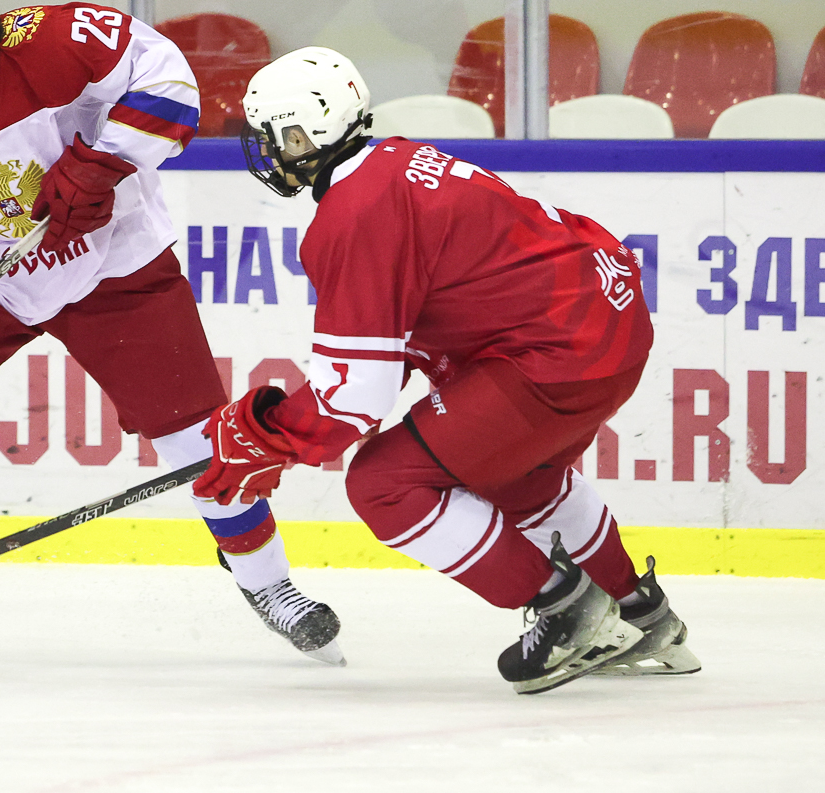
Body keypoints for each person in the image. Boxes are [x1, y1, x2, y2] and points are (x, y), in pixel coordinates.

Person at [0, 0, 343, 676]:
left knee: (201, 440)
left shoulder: (55, 41)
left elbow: (167, 76)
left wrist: (103, 163)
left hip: (115, 258)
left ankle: (269, 584)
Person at [195, 46, 700, 694]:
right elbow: (398, 345)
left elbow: (356, 395)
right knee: (518, 475)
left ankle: (566, 610)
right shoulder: (396, 161)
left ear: (307, 134)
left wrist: (267, 436)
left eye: (275, 135)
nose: (267, 149)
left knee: (382, 484)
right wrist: (282, 436)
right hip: (605, 325)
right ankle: (641, 615)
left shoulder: (354, 213)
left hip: (554, 351)